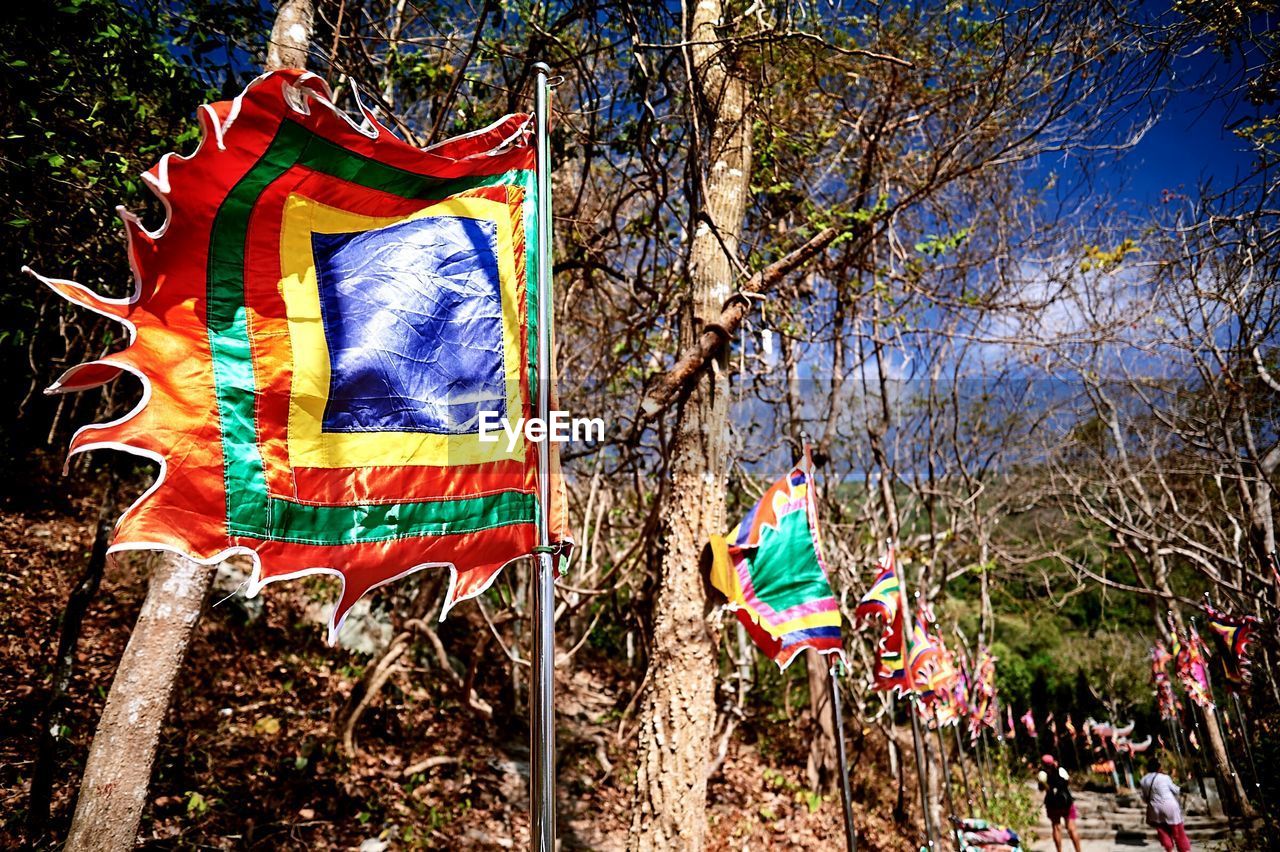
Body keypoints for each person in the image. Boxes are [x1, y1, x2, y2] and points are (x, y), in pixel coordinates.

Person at [1140, 755, 1191, 851]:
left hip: (1154, 809)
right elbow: (1176, 790)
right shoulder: (1164, 777)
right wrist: (1184, 788)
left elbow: (1143, 796)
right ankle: (1183, 849)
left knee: (1162, 830)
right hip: (1169, 806)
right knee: (1178, 830)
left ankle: (1168, 848)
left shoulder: (1143, 780)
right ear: (1158, 767)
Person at [1037, 754, 1082, 852]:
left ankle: (1059, 851)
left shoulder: (1042, 774)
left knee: (1056, 827)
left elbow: (1041, 788)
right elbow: (1068, 781)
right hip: (1066, 803)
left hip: (1052, 804)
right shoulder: (1061, 770)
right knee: (1072, 829)